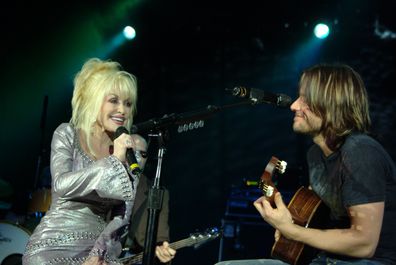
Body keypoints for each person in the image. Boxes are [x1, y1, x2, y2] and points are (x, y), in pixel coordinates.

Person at [215, 63, 396, 265]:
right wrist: (286, 221)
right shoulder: (315, 154)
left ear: (331, 104)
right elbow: (317, 215)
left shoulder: (360, 151)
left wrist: (292, 231)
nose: (294, 106)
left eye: (306, 100)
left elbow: (364, 244)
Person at [22, 58, 175, 265]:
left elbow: (123, 215)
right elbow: (61, 186)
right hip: (53, 245)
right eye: (114, 101)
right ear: (95, 100)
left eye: (128, 103)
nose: (122, 110)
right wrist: (113, 161)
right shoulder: (67, 134)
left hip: (100, 249)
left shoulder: (130, 152)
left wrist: (98, 253)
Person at [120, 135, 175, 264]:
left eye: (143, 154)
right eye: (132, 152)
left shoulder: (156, 192)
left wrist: (162, 248)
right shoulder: (102, 180)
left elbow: (160, 236)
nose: (137, 158)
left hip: (133, 258)